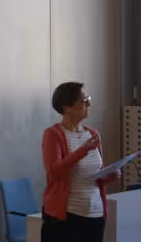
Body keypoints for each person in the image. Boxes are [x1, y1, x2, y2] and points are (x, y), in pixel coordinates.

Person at [41, 82, 119, 242]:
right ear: (67, 108)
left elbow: (94, 175)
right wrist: (82, 151)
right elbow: (54, 172)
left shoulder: (92, 134)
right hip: (67, 217)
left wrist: (109, 177)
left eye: (88, 99)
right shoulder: (53, 134)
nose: (88, 104)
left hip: (95, 215)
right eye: (83, 101)